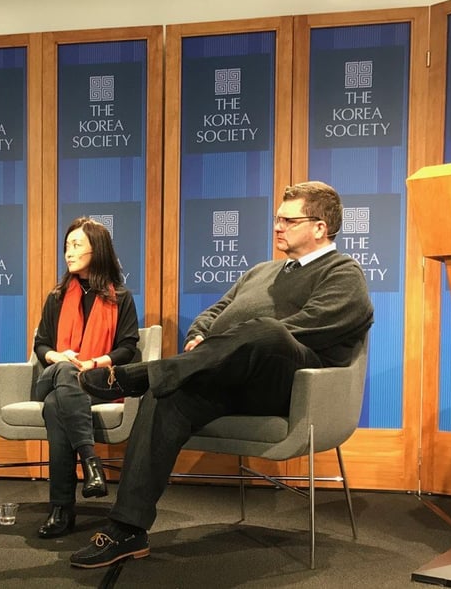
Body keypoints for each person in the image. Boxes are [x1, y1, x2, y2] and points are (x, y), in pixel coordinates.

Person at [71, 181, 374, 568]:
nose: (277, 226)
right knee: (167, 394)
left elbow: (311, 326)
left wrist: (241, 339)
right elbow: (216, 311)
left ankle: (143, 373)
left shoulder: (343, 273)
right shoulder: (262, 271)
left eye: (288, 220)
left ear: (320, 227)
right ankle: (128, 529)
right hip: (227, 377)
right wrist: (201, 336)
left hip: (286, 383)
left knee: (268, 331)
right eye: (277, 218)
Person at [31, 217, 140, 539]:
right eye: (67, 246)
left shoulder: (120, 296)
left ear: (98, 250)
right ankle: (91, 461)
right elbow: (41, 345)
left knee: (55, 407)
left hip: (95, 381)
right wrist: (58, 356)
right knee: (65, 371)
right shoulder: (57, 296)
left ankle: (61, 508)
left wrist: (94, 362)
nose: (69, 252)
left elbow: (127, 348)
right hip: (52, 375)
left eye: (77, 245)